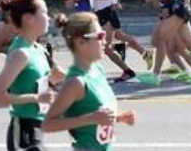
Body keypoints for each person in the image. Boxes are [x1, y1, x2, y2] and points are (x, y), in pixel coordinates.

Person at [42, 12, 136, 151]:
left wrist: (118, 117)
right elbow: (48, 124)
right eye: (100, 36)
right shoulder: (76, 82)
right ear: (81, 41)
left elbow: (97, 115)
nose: (105, 41)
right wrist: (91, 119)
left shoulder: (98, 70)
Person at [0, 0, 64, 151]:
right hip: (23, 131)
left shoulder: (39, 49)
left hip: (38, 127)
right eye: (44, 13)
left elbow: (32, 84)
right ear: (29, 18)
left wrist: (51, 81)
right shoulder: (21, 53)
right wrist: (37, 97)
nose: (49, 18)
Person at [83, 0, 152, 83]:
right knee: (118, 37)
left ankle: (128, 71)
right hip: (108, 11)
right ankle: (144, 54)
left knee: (106, 48)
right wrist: (113, 2)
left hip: (105, 13)